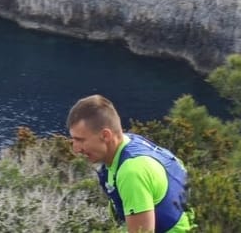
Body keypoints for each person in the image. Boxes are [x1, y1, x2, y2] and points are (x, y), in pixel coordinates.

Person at [67, 94, 193, 233]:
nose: (76, 149)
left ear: (106, 136)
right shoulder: (130, 142)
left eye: (80, 140)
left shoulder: (132, 172)